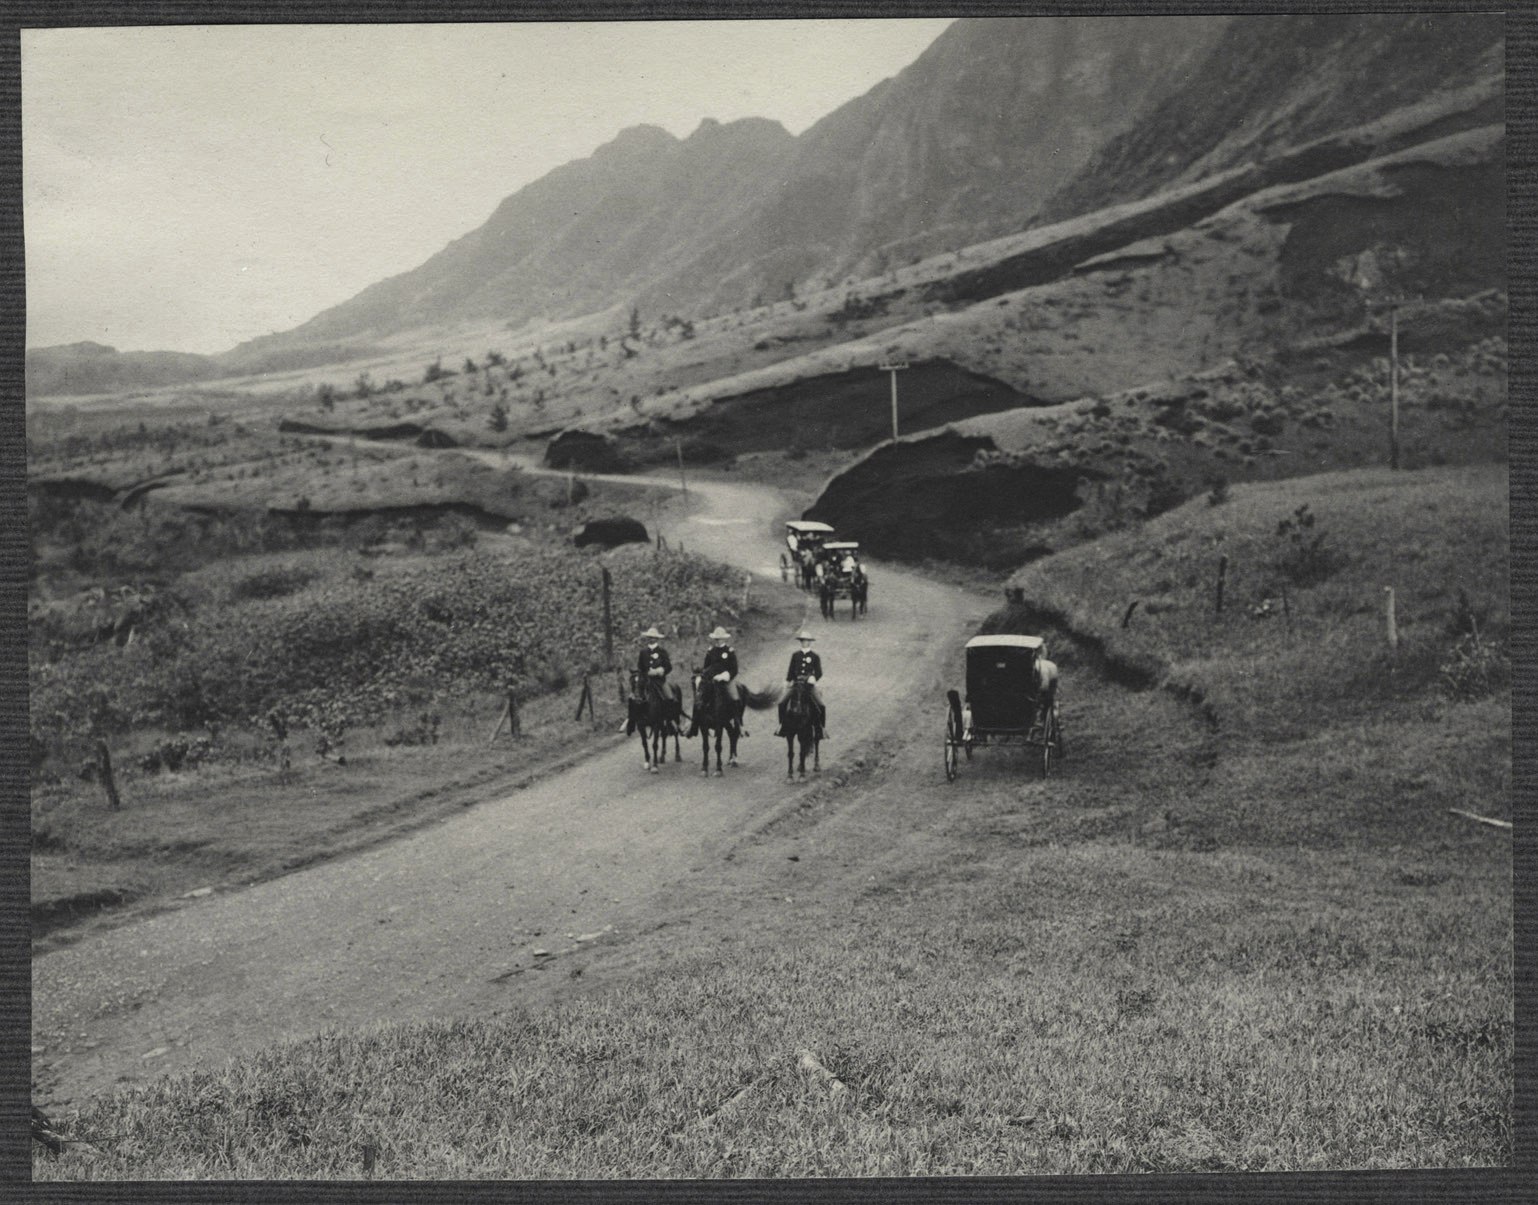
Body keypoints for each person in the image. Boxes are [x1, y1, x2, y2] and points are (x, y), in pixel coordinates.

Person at [689, 626, 749, 737]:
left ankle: (738, 724)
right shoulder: (710, 651)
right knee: (699, 699)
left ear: (724, 639)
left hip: (726, 681)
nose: (718, 640)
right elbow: (706, 667)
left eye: (720, 638)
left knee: (735, 698)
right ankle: (694, 726)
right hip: (711, 681)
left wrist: (724, 676)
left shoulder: (729, 651)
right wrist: (705, 676)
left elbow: (734, 669)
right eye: (716, 638)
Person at [777, 629, 827, 739]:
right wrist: (787, 681)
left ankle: (821, 729)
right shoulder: (795, 655)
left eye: (807, 641)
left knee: (821, 705)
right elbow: (791, 670)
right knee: (781, 703)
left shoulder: (814, 656)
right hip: (796, 684)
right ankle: (781, 726)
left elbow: (819, 672)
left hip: (809, 685)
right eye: (803, 641)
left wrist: (813, 678)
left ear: (810, 642)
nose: (804, 642)